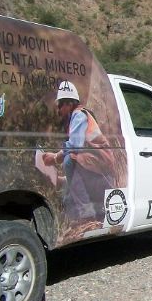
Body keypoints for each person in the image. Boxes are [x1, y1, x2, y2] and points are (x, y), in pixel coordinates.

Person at [42, 80, 113, 223]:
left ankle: (86, 214)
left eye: (60, 105)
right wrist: (61, 181)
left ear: (69, 104)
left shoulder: (78, 115)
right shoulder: (76, 118)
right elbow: (79, 172)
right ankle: (82, 215)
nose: (59, 109)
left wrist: (55, 158)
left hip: (102, 166)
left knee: (69, 160)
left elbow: (75, 145)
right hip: (95, 168)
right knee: (67, 198)